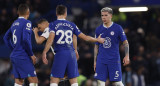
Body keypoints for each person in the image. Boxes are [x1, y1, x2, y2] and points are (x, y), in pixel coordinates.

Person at [42, 5, 104, 86]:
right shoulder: (72, 25)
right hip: (71, 55)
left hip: (60, 54)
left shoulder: (53, 24)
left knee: (54, 80)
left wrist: (44, 52)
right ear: (66, 13)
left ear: (56, 13)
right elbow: (85, 38)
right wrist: (97, 40)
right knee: (74, 81)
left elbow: (50, 40)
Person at [3, 4, 38, 86]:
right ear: (28, 12)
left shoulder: (14, 23)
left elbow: (5, 38)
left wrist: (13, 49)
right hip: (23, 55)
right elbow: (25, 39)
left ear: (18, 12)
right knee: (34, 80)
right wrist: (31, 54)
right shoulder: (27, 23)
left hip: (14, 56)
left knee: (19, 81)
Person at [94, 7, 130, 86]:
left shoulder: (118, 28)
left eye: (106, 15)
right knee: (100, 83)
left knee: (117, 83)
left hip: (114, 60)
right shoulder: (98, 29)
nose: (103, 17)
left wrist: (127, 56)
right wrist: (95, 61)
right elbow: (96, 46)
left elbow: (125, 43)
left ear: (111, 16)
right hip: (101, 60)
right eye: (102, 15)